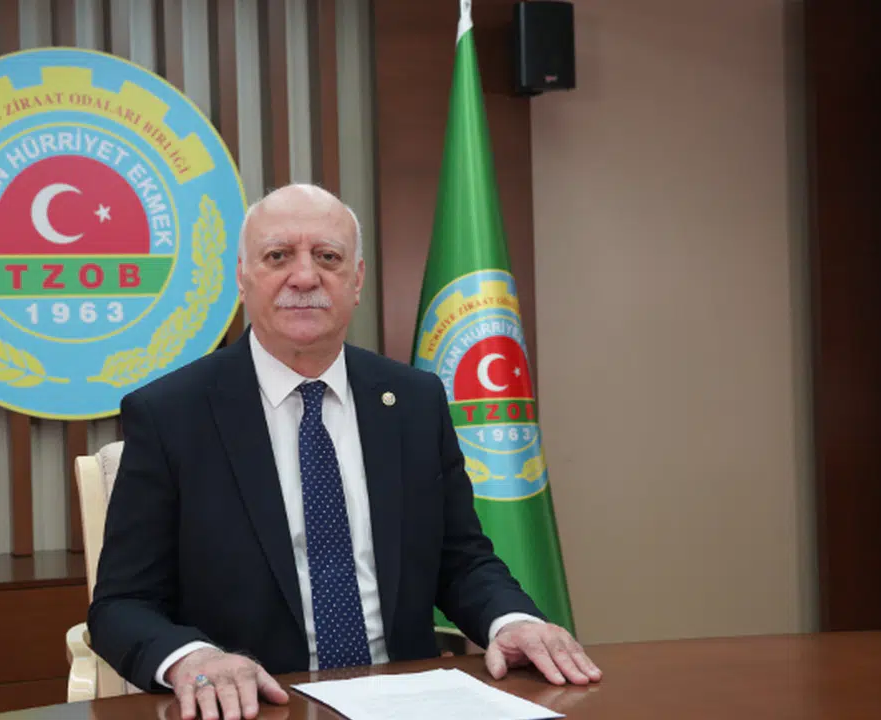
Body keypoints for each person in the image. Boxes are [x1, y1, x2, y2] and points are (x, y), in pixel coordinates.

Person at [87, 184, 601, 720]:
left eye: (328, 257)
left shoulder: (414, 400)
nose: (304, 277)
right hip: (258, 705)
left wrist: (512, 621)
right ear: (242, 276)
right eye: (278, 256)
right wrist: (195, 659)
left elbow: (460, 559)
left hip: (406, 701)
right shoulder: (171, 413)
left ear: (356, 280)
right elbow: (122, 605)